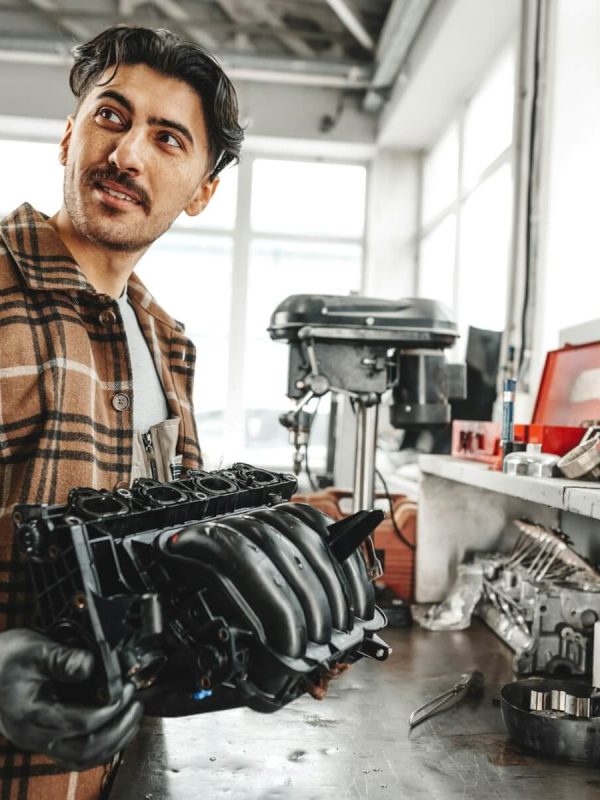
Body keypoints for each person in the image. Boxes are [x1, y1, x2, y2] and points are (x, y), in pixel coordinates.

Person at [0, 24, 244, 800]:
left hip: (111, 770)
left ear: (202, 190)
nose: (128, 154)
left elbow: (168, 562)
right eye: (112, 117)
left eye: (168, 139)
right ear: (70, 133)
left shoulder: (169, 344)